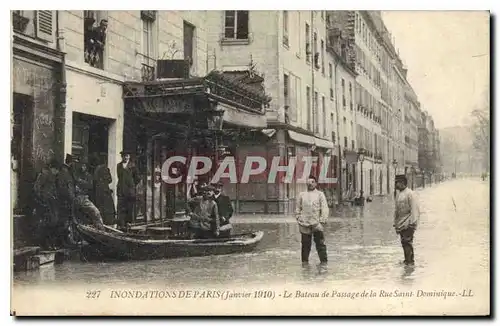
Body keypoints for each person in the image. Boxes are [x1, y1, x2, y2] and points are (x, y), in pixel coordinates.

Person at [296, 175, 329, 268]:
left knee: (321, 245)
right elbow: (298, 208)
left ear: (316, 183)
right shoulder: (301, 195)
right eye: (308, 182)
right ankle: (305, 265)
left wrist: (322, 221)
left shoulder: (320, 194)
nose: (310, 184)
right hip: (304, 224)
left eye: (312, 182)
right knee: (305, 246)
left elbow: (324, 208)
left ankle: (323, 264)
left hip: (317, 224)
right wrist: (299, 218)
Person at [393, 174, 420, 267]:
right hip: (401, 223)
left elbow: (414, 209)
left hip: (408, 223)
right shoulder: (399, 194)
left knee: (407, 242)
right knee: (404, 242)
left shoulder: (410, 194)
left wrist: (411, 223)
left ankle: (410, 262)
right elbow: (396, 210)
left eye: (397, 183)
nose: (396, 185)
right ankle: (407, 261)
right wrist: (395, 223)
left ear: (402, 183)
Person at [33, 159, 60, 249]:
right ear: (53, 168)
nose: (57, 172)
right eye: (56, 170)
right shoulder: (45, 175)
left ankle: (48, 243)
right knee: (47, 223)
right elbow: (37, 187)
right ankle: (43, 243)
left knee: (52, 222)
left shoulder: (52, 176)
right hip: (45, 202)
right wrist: (41, 199)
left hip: (51, 202)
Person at [73, 159, 105, 231]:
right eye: (81, 165)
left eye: (84, 165)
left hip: (84, 197)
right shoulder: (76, 174)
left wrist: (80, 181)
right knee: (78, 218)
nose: (82, 167)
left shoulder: (88, 176)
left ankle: (101, 230)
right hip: (76, 198)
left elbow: (90, 186)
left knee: (95, 212)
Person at [117, 150, 139, 229]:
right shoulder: (118, 166)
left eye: (127, 156)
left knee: (130, 209)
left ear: (129, 157)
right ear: (122, 157)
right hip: (121, 191)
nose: (126, 157)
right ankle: (122, 226)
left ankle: (129, 226)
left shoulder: (133, 166)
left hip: (130, 192)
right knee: (121, 209)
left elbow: (137, 178)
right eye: (124, 156)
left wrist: (131, 186)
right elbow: (119, 177)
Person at [93, 154, 116, 226]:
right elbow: (110, 180)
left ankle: (101, 222)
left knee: (100, 206)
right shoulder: (105, 168)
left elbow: (95, 179)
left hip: (98, 190)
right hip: (105, 190)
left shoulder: (96, 169)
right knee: (107, 206)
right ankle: (108, 222)